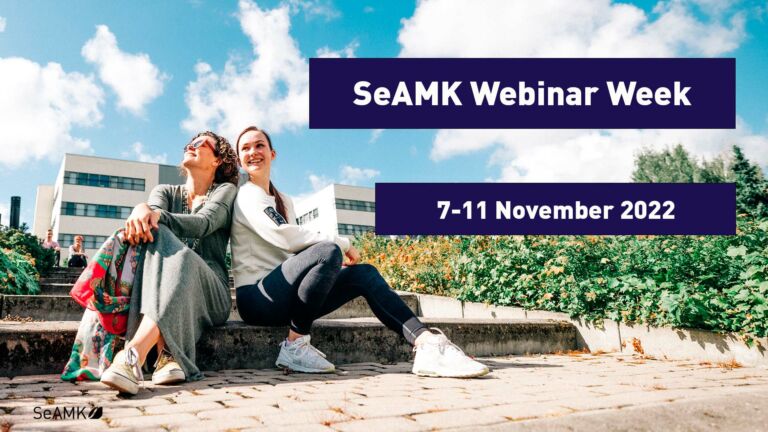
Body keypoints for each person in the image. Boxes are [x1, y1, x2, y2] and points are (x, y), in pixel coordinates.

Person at [231, 126, 489, 378]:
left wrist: (325, 274)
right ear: (240, 160)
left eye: (259, 145)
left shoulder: (284, 199)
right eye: (245, 148)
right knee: (327, 251)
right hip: (257, 298)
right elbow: (285, 237)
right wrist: (342, 244)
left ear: (272, 153)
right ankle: (294, 346)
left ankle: (425, 343)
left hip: (285, 292)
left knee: (364, 274)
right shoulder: (247, 195)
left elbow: (294, 251)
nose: (253, 151)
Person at [99, 131, 239, 395]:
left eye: (200, 143)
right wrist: (141, 208)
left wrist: (152, 213)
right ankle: (166, 357)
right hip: (160, 284)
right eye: (189, 143)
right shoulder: (163, 191)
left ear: (218, 160)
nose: (191, 146)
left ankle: (132, 356)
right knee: (157, 231)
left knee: (175, 245)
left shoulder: (226, 191)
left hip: (212, 292)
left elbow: (204, 223)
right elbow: (149, 223)